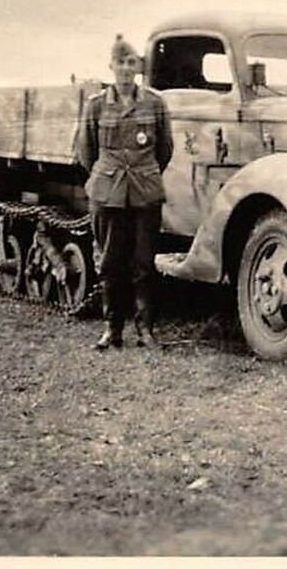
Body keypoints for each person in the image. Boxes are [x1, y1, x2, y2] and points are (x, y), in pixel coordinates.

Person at [76, 35, 174, 351]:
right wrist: (108, 175)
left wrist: (143, 173)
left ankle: (145, 329)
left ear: (139, 67)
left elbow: (165, 149)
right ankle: (112, 329)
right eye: (120, 63)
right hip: (108, 194)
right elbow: (86, 152)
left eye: (131, 63)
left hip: (145, 193)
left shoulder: (155, 103)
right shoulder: (96, 105)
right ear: (111, 66)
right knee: (109, 263)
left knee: (144, 263)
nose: (125, 70)